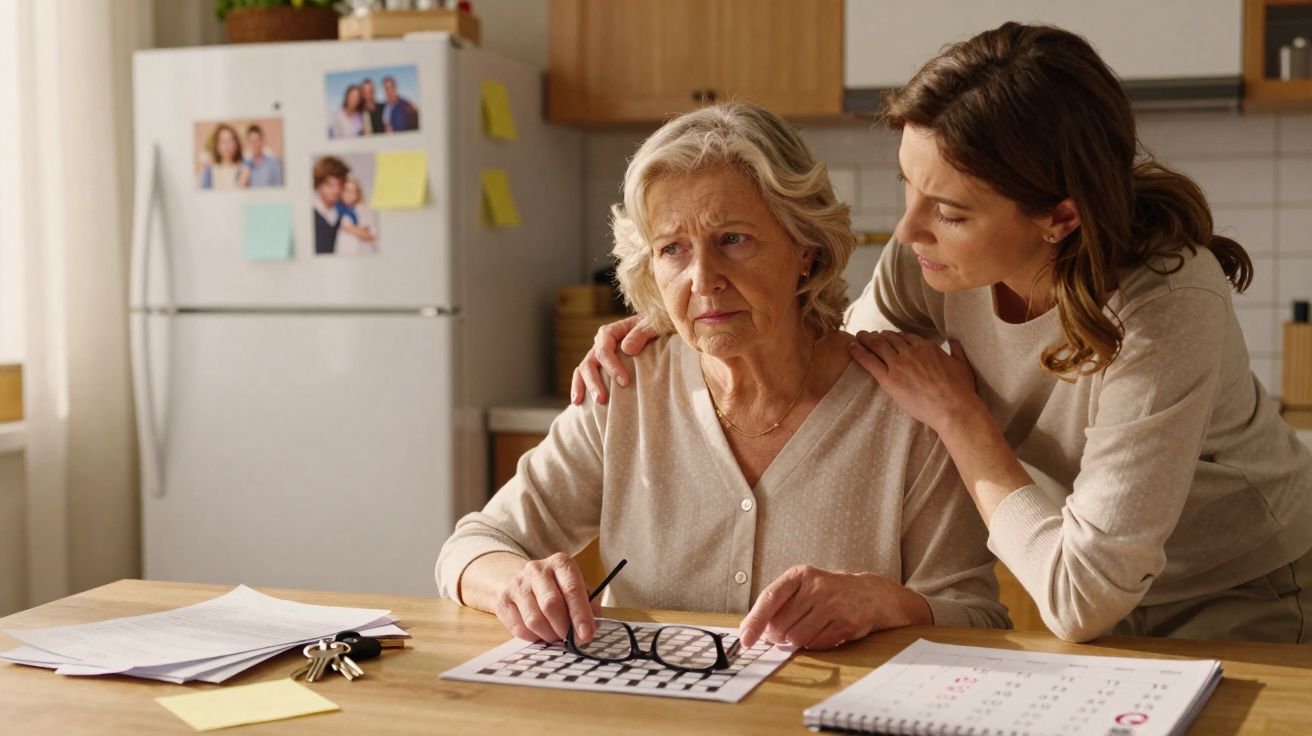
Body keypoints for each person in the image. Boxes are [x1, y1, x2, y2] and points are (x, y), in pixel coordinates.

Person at [574, 23, 1312, 645]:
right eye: (910, 185)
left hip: (1248, 583)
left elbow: (1081, 596)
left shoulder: (1165, 305)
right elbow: (825, 340)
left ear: (1059, 218)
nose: (908, 230)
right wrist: (681, 321)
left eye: (951, 211)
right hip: (1103, 583)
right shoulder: (930, 264)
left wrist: (962, 420)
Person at [437, 102, 1008, 652]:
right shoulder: (625, 388)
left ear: (805, 249)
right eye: (673, 250)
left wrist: (887, 604)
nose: (702, 279)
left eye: (733, 239)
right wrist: (517, 585)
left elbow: (977, 617)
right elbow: (472, 547)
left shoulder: (909, 407)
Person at [312, 156, 349, 255]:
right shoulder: (307, 213)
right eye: (330, 184)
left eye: (340, 184)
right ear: (318, 184)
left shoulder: (345, 212)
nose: (336, 190)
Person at [334, 177, 378, 256]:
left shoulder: (362, 209)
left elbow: (371, 236)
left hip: (361, 254)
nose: (348, 194)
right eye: (346, 190)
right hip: (341, 254)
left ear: (357, 194)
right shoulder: (337, 209)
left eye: (352, 191)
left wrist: (350, 228)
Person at [197, 123, 248, 190]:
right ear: (217, 145)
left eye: (230, 140)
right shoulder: (209, 170)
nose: (227, 145)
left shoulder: (245, 168)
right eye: (223, 141)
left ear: (236, 143)